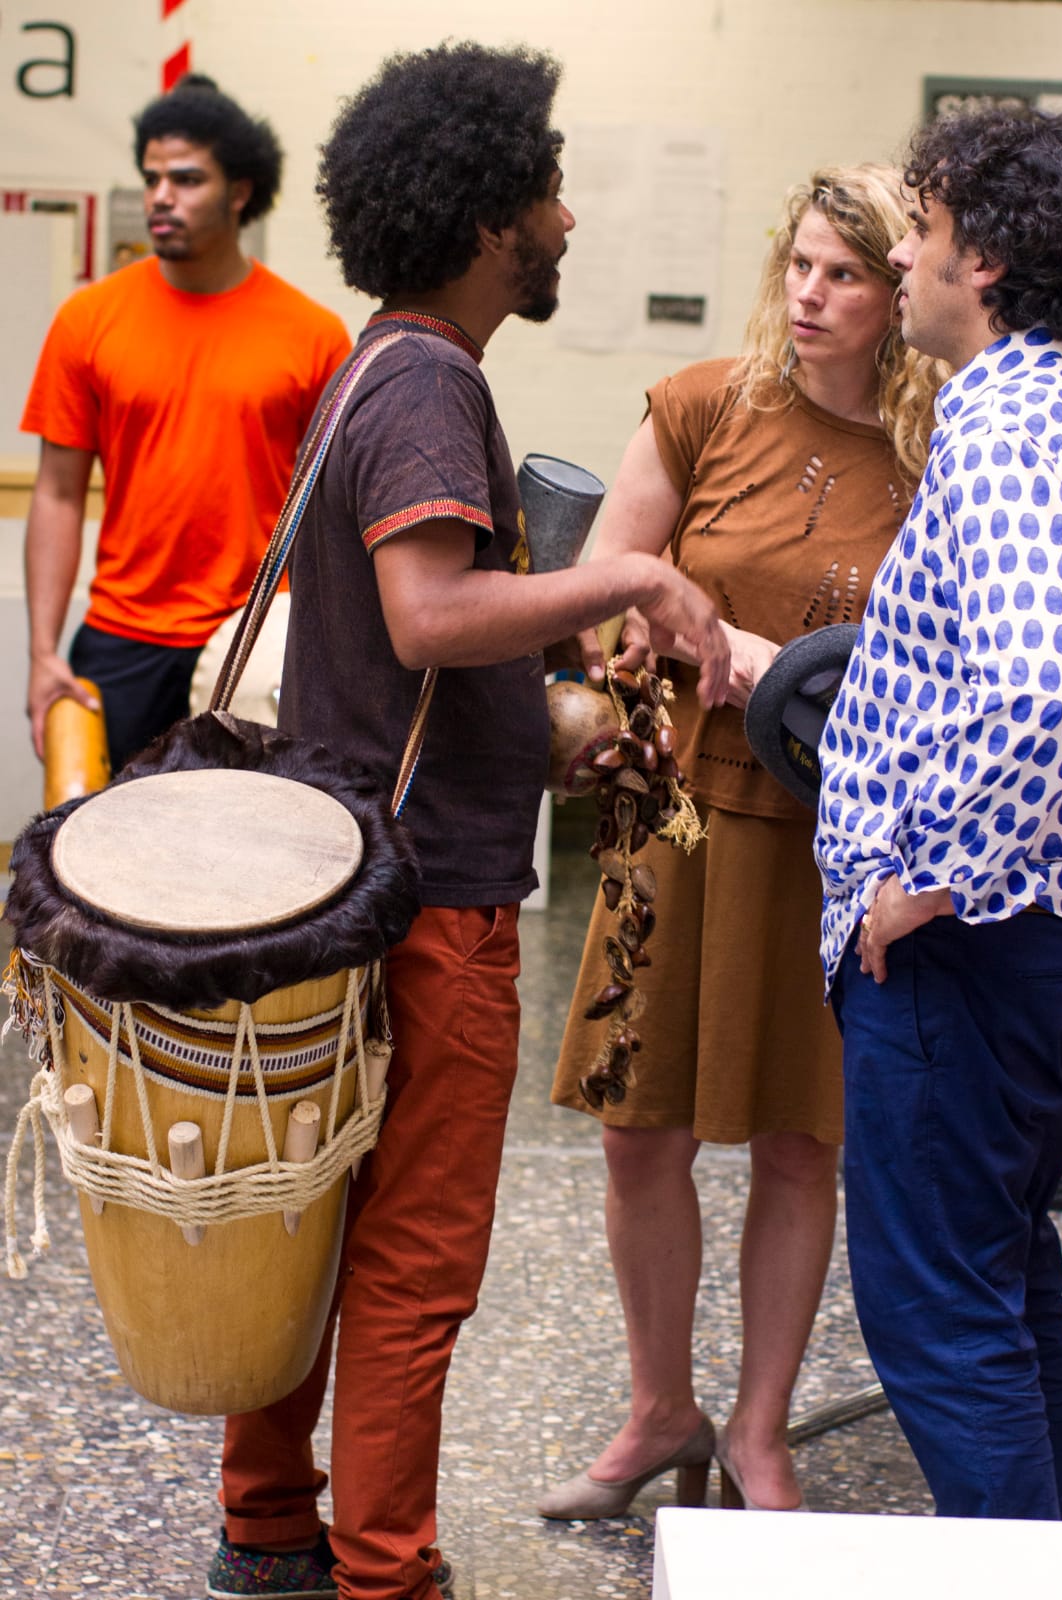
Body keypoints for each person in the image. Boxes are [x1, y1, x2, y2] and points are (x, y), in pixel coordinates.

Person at [206, 42, 729, 1600]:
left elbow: (397, 650)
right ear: (489, 211)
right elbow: (430, 615)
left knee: (304, 1228)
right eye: (549, 190)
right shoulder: (434, 381)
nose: (566, 218)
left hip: (334, 877)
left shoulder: (372, 361)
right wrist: (639, 577)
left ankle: (269, 1524)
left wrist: (544, 732)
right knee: (412, 1263)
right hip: (427, 911)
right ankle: (386, 1573)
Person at [541, 166, 945, 1519]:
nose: (811, 294)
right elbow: (601, 592)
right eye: (800, 266)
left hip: (831, 837)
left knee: (797, 1138)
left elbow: (951, 657)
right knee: (634, 1131)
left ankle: (760, 1430)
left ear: (901, 293)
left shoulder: (939, 442)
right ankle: (662, 1407)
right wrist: (664, 645)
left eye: (846, 273)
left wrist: (793, 671)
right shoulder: (707, 404)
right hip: (681, 821)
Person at [815, 106, 1062, 1520]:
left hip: (974, 946)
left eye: (923, 231)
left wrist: (921, 880)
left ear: (990, 262)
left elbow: (1028, 687)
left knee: (939, 1328)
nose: (899, 254)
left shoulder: (1006, 435)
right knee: (1000, 1291)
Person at [22, 74, 351, 773]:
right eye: (151, 178)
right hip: (124, 636)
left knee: (257, 856)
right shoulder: (88, 320)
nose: (160, 197)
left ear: (240, 191)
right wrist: (43, 653)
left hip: (257, 632)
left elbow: (336, 512)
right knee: (108, 856)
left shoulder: (313, 336)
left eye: (186, 179)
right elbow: (55, 493)